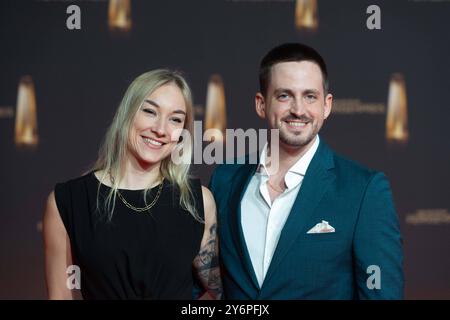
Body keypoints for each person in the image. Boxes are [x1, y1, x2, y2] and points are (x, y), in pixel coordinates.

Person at [209, 43, 404, 299]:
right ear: (261, 104)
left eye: (310, 96)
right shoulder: (225, 179)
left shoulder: (364, 190)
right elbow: (203, 282)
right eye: (284, 96)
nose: (298, 110)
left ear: (327, 105)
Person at [43, 69, 222, 300]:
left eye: (175, 119)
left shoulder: (197, 201)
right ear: (126, 113)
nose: (160, 129)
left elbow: (219, 292)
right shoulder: (68, 202)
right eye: (149, 111)